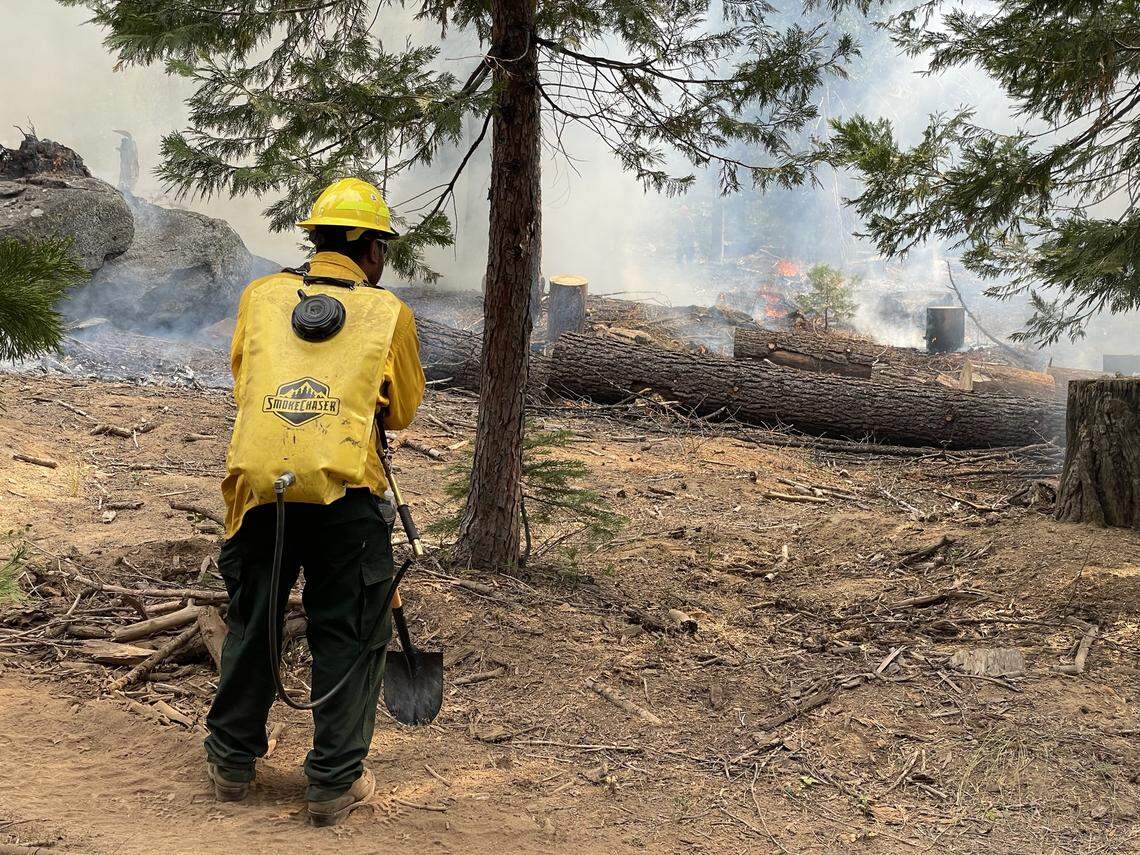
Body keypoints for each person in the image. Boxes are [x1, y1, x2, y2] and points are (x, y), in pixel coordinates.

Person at [204, 178, 425, 827]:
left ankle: (230, 761)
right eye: (381, 243)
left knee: (253, 621)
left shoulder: (262, 295)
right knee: (351, 630)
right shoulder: (388, 313)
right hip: (347, 496)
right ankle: (332, 781)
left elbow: (244, 375)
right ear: (365, 245)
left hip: (261, 491)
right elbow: (404, 407)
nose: (383, 256)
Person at [113, 130, 139, 197]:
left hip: (128, 164)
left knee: (127, 174)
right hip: (126, 164)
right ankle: (124, 187)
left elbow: (130, 153)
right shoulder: (130, 145)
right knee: (124, 174)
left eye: (123, 141)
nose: (122, 142)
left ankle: (126, 188)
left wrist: (120, 149)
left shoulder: (130, 144)